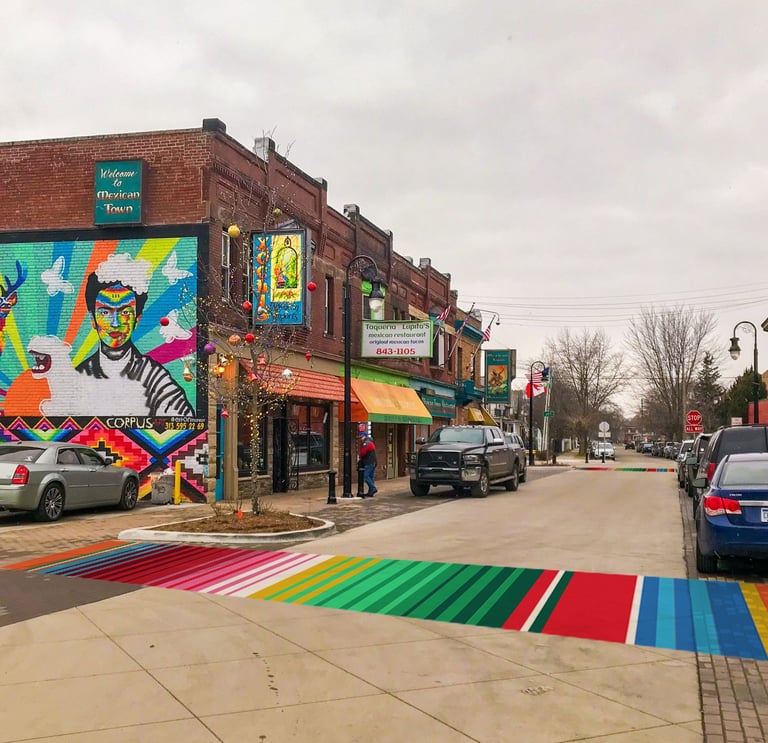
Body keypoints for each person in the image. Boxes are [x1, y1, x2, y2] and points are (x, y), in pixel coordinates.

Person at [76, 253, 194, 417]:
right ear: (93, 320)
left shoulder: (156, 380)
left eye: (125, 312)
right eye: (105, 311)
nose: (115, 323)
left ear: (137, 319)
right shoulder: (78, 377)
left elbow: (183, 421)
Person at [358, 431, 378, 497]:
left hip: (369, 462)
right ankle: (371, 492)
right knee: (371, 477)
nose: (360, 439)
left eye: (361, 437)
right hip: (373, 462)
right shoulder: (371, 442)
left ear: (365, 437)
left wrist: (360, 457)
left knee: (365, 476)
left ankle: (373, 488)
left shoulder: (366, 443)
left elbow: (363, 453)